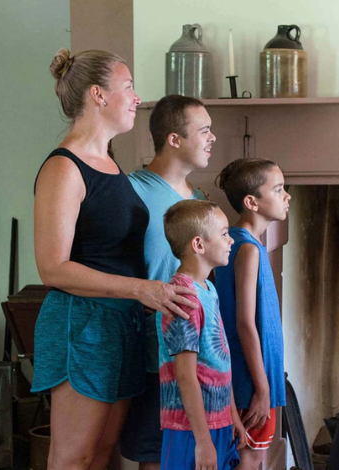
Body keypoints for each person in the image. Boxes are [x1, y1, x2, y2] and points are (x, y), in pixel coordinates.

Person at [32, 49, 196, 470]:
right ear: (98, 95)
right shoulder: (63, 168)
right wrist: (142, 289)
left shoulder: (110, 164)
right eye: (128, 87)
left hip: (121, 325)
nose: (137, 98)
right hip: (81, 325)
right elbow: (51, 267)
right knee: (74, 458)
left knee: (102, 456)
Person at [119, 95, 214, 469]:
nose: (213, 138)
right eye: (204, 130)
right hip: (154, 357)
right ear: (174, 139)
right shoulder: (130, 191)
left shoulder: (201, 200)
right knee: (158, 457)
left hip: (202, 357)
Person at [214, 158, 290, 469]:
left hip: (255, 379)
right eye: (279, 189)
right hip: (250, 382)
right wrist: (262, 388)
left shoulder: (244, 245)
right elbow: (244, 323)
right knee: (250, 459)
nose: (287, 196)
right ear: (251, 202)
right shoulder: (246, 249)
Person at [160, 199, 246, 470]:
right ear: (198, 245)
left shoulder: (209, 288)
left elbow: (221, 360)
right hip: (191, 429)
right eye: (223, 233)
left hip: (218, 422)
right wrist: (202, 441)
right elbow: (185, 374)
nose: (230, 240)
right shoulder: (183, 296)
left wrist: (232, 416)